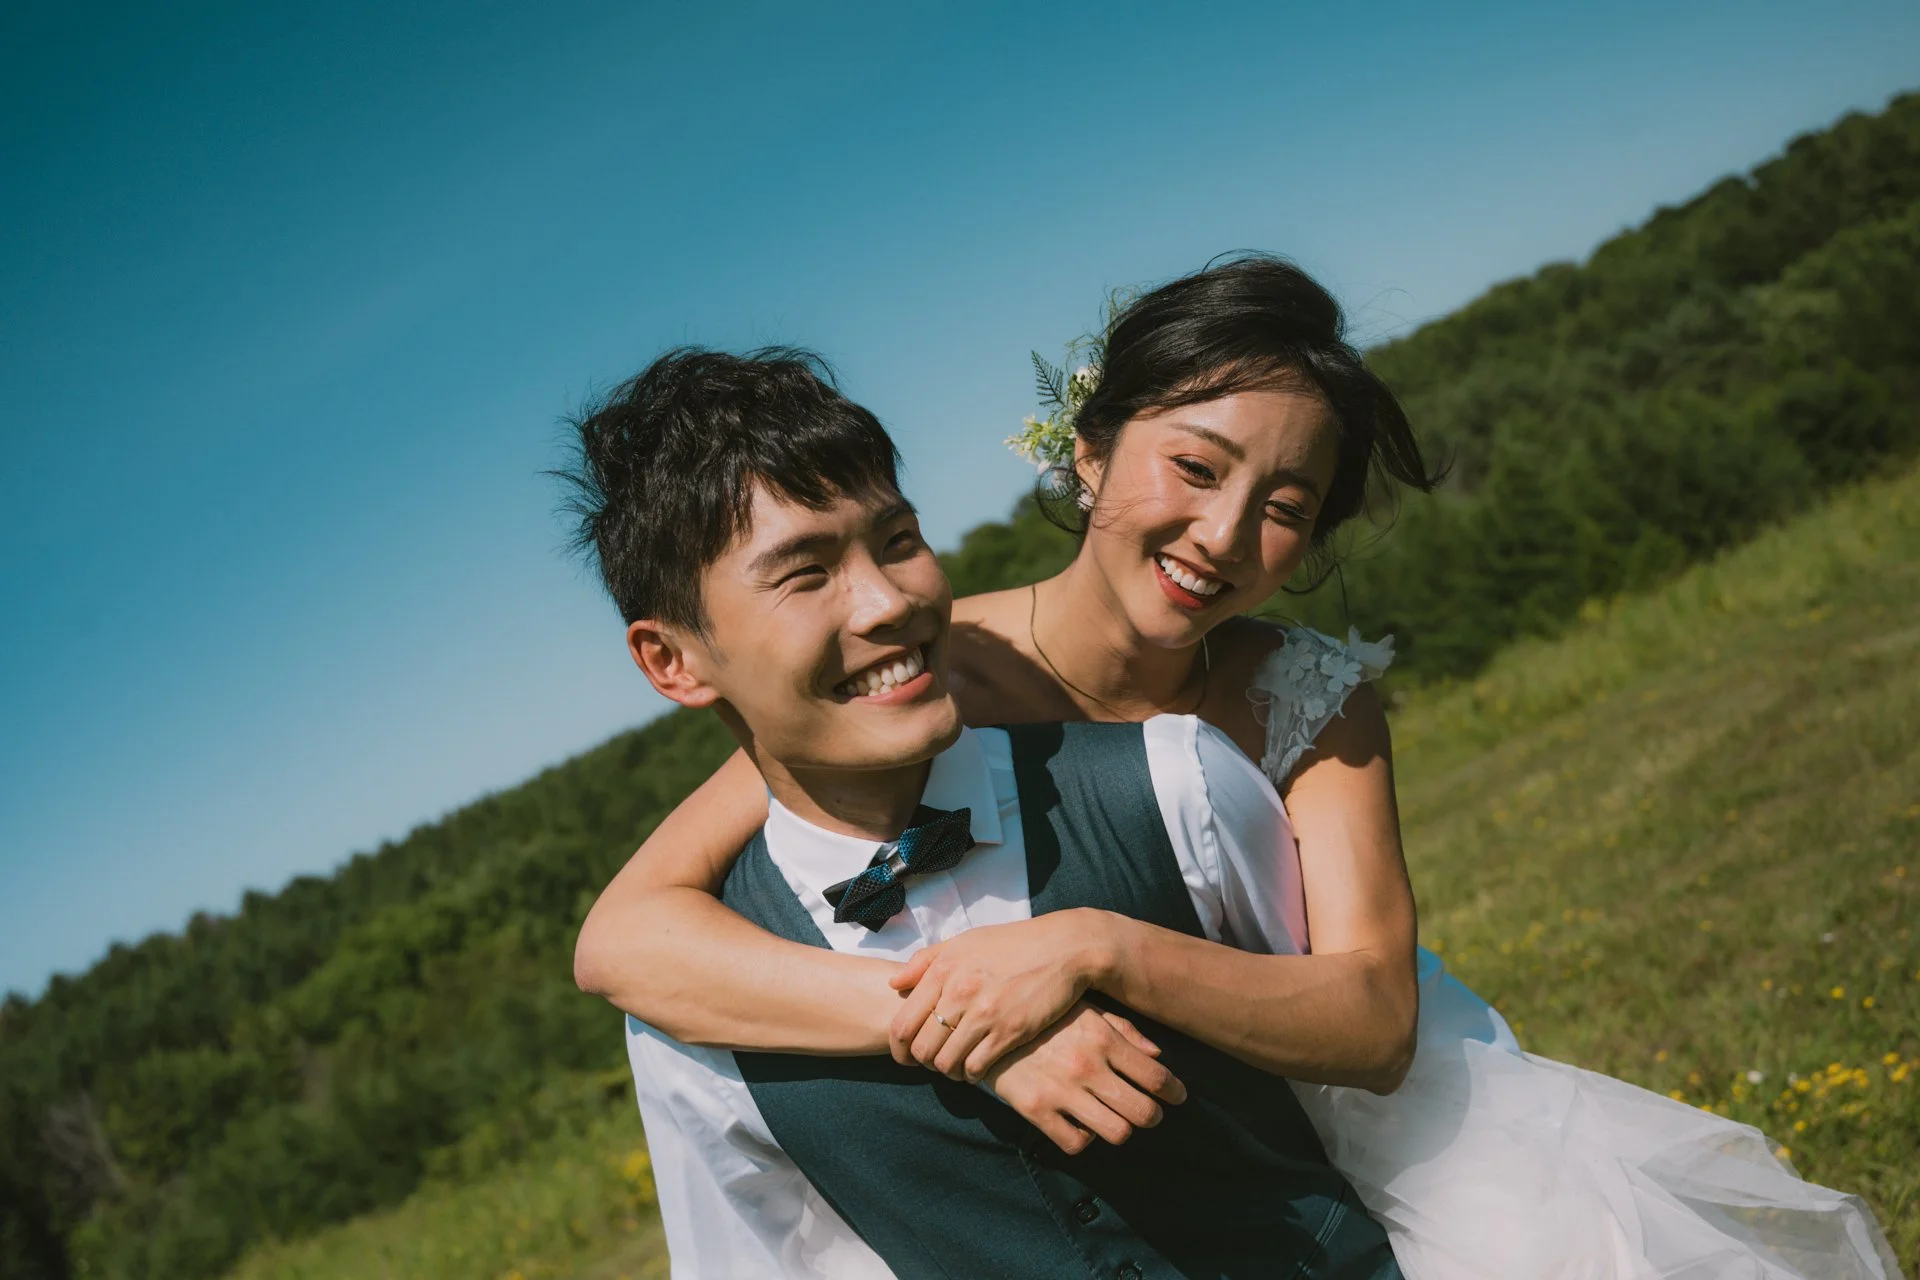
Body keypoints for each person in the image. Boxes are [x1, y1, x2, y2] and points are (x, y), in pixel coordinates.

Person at [574, 258, 1902, 1278]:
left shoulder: (1301, 695)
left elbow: (1375, 1020)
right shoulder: (928, 662)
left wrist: (1097, 945)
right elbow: (631, 933)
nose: (1221, 536)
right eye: (1195, 468)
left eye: (1285, 509)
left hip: (1379, 1130)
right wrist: (971, 1025)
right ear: (1088, 450)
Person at [561, 344, 1405, 1277]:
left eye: (899, 542)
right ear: (671, 661)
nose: (886, 603)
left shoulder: (1182, 779)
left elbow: (1359, 1049)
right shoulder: (696, 1010)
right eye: (804, 574)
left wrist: (1106, 948)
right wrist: (963, 1029)